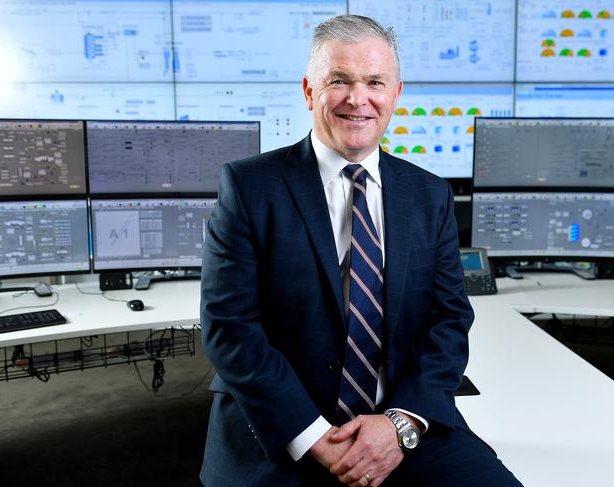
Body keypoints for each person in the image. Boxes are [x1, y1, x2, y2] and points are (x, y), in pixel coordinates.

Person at [199, 14, 522, 487]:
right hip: (281, 428)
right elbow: (230, 329)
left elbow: (448, 321)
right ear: (309, 91)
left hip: (401, 425)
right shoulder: (250, 187)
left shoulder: (428, 195)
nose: (358, 98)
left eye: (375, 82)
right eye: (339, 81)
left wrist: (399, 425)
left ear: (396, 94)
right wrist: (315, 439)